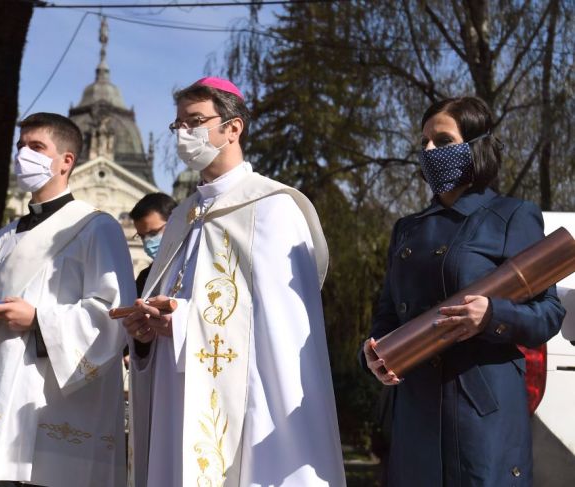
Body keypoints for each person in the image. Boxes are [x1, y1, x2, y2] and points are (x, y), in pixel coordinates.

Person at [124, 77, 345, 486]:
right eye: (179, 125)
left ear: (233, 127)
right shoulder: (180, 218)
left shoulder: (274, 208)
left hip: (246, 409)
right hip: (173, 400)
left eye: (195, 121)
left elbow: (281, 331)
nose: (184, 134)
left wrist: (187, 324)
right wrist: (144, 333)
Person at [362, 97, 565, 487]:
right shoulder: (408, 228)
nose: (428, 151)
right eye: (424, 142)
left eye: (442, 140)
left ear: (475, 145)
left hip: (479, 415)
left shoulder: (512, 215)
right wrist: (369, 355)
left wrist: (492, 316)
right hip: (415, 414)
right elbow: (386, 317)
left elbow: (548, 314)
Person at [0, 113, 136, 487]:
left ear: (66, 161)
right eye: (21, 147)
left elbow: (112, 314)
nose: (24, 156)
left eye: (36, 147)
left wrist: (38, 319)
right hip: (1, 400)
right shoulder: (2, 238)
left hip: (56, 408)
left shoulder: (96, 227)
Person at [129, 192, 177, 296]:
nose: (148, 242)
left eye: (153, 233)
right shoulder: (144, 278)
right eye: (142, 236)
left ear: (175, 223)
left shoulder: (195, 266)